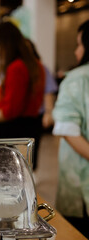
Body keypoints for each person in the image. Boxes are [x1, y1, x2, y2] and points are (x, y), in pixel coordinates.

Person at [0, 22, 45, 170]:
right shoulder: (36, 64)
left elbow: (11, 110)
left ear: (5, 44)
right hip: (31, 126)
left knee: (12, 173)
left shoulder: (16, 68)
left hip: (15, 129)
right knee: (26, 171)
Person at [52, 19, 89, 237]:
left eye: (80, 44)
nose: (77, 51)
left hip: (81, 186)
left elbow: (67, 129)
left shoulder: (77, 79)